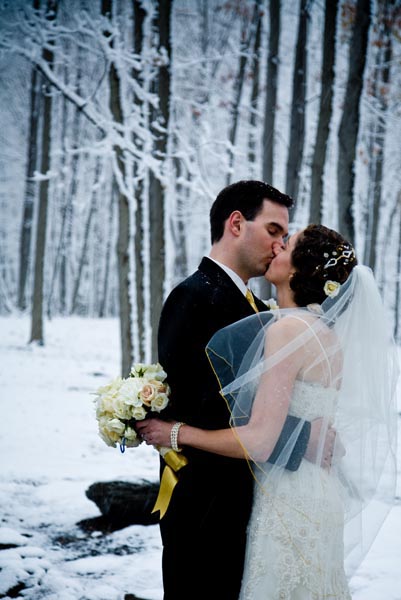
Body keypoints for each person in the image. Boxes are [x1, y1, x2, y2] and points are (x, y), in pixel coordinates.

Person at [138, 224, 399, 599]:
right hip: (318, 493)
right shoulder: (324, 333)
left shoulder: (289, 331)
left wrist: (174, 432)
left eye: (287, 242)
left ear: (296, 270)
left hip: (289, 500)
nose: (278, 245)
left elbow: (261, 440)